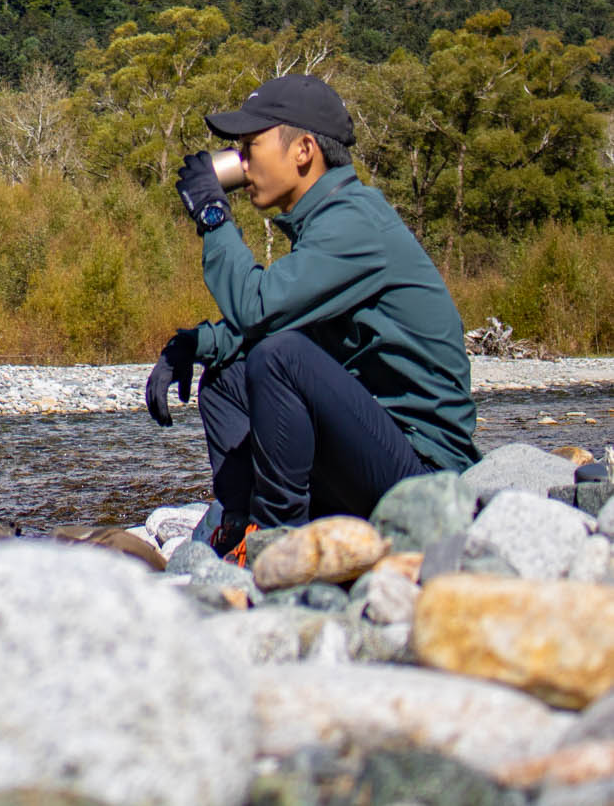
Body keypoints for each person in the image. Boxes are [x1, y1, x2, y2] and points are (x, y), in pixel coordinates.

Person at [144, 73, 478, 557]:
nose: (241, 161)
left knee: (279, 357)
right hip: (374, 451)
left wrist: (214, 216)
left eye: (250, 145)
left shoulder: (354, 222)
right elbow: (282, 313)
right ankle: (243, 527)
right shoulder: (328, 221)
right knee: (227, 377)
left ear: (303, 151)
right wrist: (195, 345)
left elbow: (260, 313)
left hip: (424, 477)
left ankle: (281, 545)